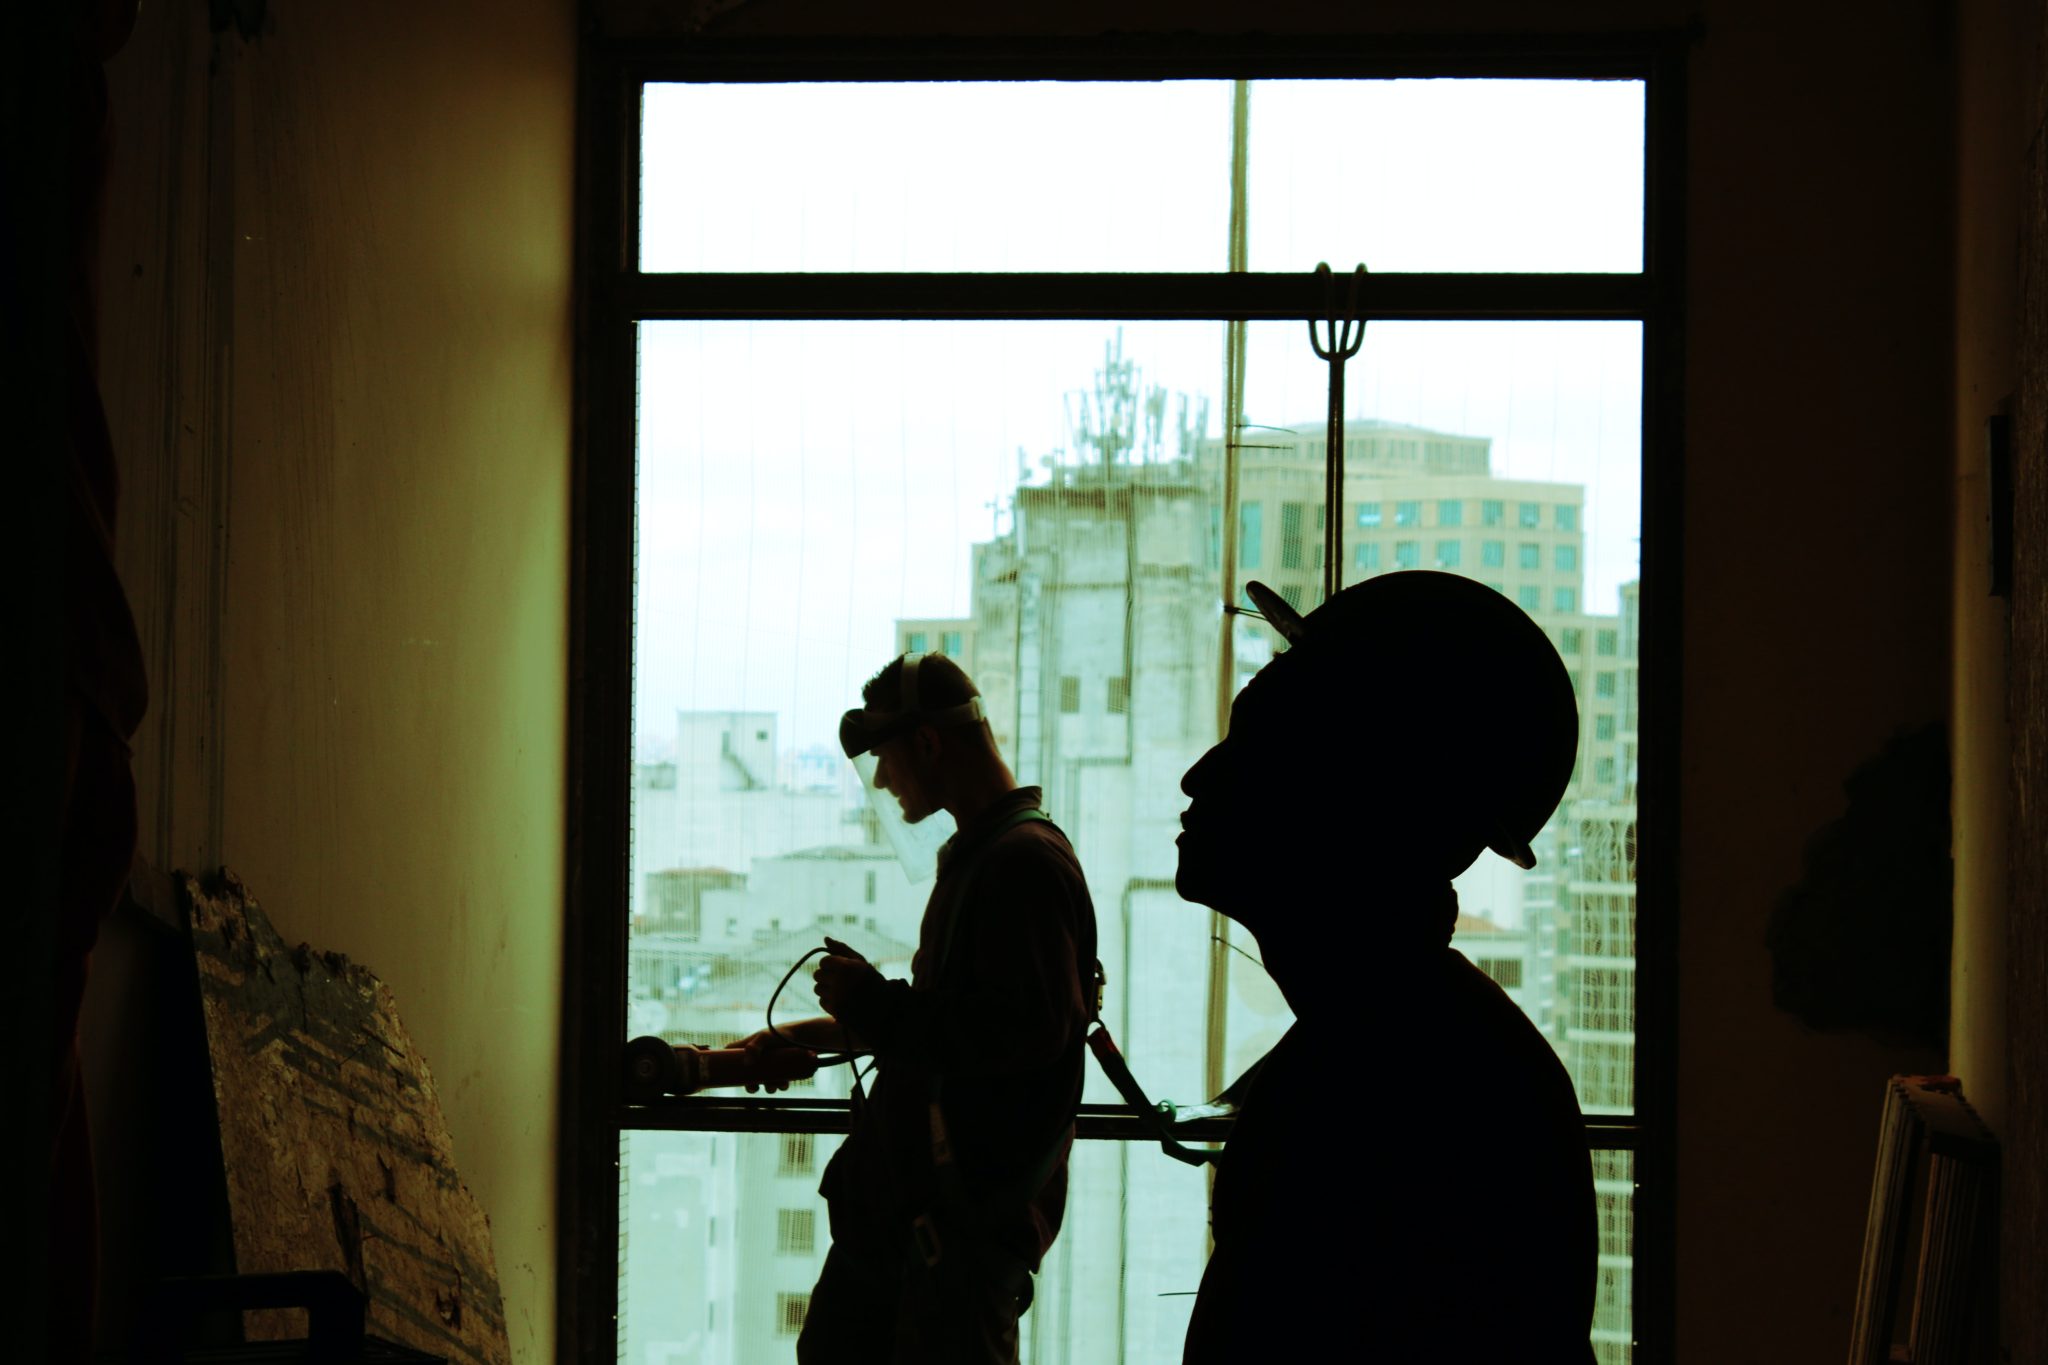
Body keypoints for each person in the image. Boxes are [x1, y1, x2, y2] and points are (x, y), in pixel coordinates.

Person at [1176, 572, 1598, 1364]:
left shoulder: (1392, 1089)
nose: (1199, 776)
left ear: (1357, 795)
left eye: (1258, 745)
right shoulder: (1424, 1053)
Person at [735, 652, 1098, 1365]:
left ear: (928, 743)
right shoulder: (992, 857)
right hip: (916, 1252)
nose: (880, 779)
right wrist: (803, 1035)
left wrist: (873, 1002)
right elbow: (947, 1027)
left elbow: (1018, 1036)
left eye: (884, 755)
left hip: (946, 1261)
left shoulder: (1020, 865)